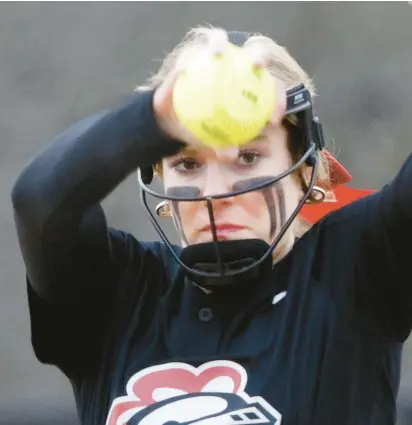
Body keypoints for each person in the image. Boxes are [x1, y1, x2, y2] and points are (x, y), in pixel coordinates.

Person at [11, 26, 412, 425]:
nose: (214, 193)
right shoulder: (121, 295)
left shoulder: (353, 272)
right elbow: (40, 201)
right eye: (187, 164)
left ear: (305, 171)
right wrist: (152, 120)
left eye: (248, 156)